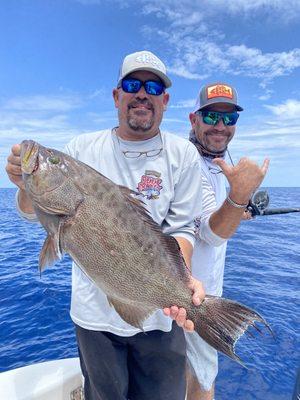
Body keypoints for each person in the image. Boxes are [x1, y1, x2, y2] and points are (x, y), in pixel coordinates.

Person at [6, 50, 205, 400]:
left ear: (165, 100)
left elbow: (182, 228)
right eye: (132, 84)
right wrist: (26, 185)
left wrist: (181, 281)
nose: (142, 93)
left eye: (153, 87)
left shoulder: (182, 154)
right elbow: (28, 212)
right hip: (94, 321)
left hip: (162, 320)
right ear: (117, 96)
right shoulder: (82, 147)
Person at [185, 82, 269, 400]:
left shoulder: (219, 166)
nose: (220, 127)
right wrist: (238, 197)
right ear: (194, 120)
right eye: (211, 117)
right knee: (203, 381)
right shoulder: (188, 163)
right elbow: (210, 232)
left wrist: (236, 207)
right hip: (191, 298)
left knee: (188, 372)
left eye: (229, 118)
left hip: (197, 295)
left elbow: (214, 215)